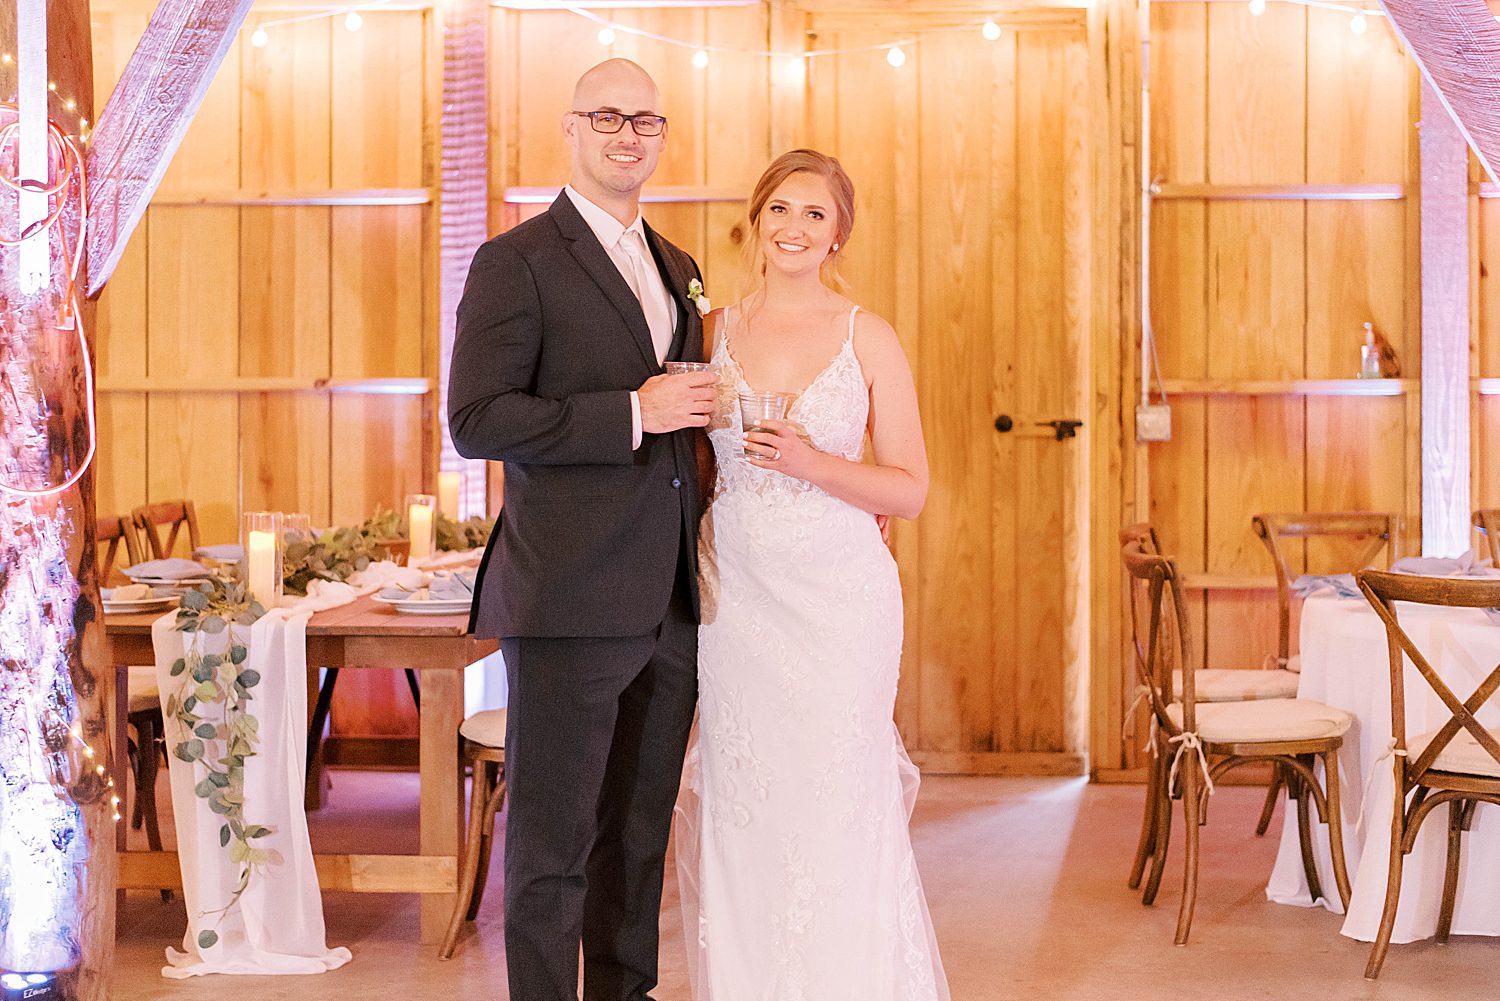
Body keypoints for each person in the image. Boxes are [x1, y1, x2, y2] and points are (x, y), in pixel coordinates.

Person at [448, 59, 715, 1001]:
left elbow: (689, 427)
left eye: (645, 120)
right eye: (606, 116)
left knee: (637, 835)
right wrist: (633, 412)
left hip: (669, 601)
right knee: (554, 846)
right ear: (570, 128)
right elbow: (476, 418)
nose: (626, 134)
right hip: (566, 596)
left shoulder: (679, 267)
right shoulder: (515, 260)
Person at [675, 149, 949, 999]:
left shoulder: (868, 334)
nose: (794, 228)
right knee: (746, 798)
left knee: (836, 800)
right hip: (737, 601)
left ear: (838, 235)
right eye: (780, 210)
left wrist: (811, 461)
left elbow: (908, 488)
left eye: (815, 215)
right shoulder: (711, 331)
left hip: (839, 603)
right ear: (757, 220)